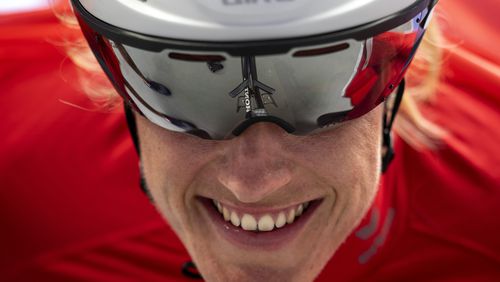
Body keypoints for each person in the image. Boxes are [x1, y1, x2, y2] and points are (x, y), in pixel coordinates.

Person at [1, 0, 499, 281]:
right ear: (121, 80)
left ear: (397, 76)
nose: (252, 184)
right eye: (181, 92)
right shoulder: (19, 200)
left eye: (325, 91)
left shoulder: (486, 213)